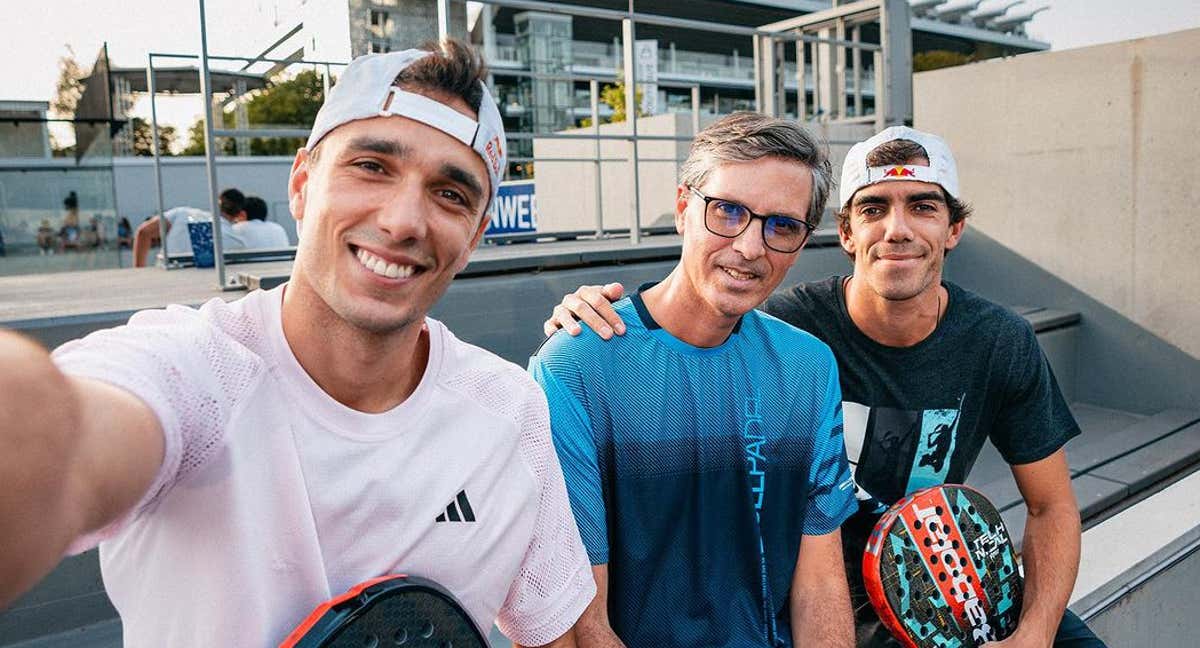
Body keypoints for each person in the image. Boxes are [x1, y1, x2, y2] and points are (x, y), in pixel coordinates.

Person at [0, 40, 594, 647]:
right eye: (372, 166)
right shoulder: (194, 373)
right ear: (303, 184)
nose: (403, 221)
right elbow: (65, 437)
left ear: (473, 237)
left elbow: (566, 635)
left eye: (451, 194)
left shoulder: (509, 410)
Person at [543, 126, 1104, 647]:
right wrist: (587, 326)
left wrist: (1035, 635)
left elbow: (1053, 505)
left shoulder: (978, 343)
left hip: (941, 579)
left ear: (954, 229)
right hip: (845, 598)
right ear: (845, 233)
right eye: (874, 208)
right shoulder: (788, 328)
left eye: (924, 207)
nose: (898, 230)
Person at [531, 112, 857, 648]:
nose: (750, 247)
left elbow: (818, 578)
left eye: (781, 226)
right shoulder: (575, 368)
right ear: (684, 208)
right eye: (728, 211)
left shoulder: (808, 368)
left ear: (800, 243)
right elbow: (584, 624)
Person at [132, 188, 249, 267]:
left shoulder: (182, 213)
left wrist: (140, 272)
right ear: (241, 215)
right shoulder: (237, 242)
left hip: (163, 281)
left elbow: (144, 232)